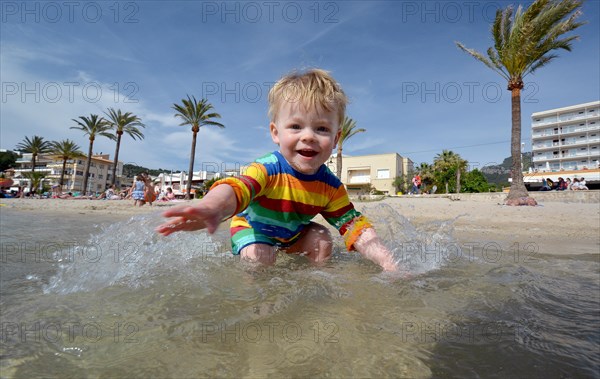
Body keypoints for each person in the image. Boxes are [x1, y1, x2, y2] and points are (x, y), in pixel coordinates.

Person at [156, 69, 397, 271]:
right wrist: (213, 207)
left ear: (336, 139)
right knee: (261, 255)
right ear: (275, 133)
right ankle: (260, 304)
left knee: (322, 241)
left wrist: (389, 265)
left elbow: (355, 227)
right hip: (253, 227)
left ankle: (310, 289)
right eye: (295, 126)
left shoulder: (331, 188)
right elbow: (237, 188)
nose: (308, 136)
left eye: (322, 129)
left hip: (293, 233)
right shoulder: (267, 169)